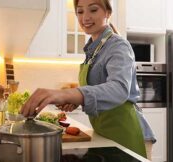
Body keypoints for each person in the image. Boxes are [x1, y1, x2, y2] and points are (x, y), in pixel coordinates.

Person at [20, 0, 155, 160]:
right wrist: (78, 100)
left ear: (107, 13)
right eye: (80, 11)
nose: (85, 17)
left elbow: (119, 89)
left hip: (128, 134)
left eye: (93, 10)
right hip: (105, 134)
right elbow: (99, 87)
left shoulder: (118, 46)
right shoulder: (93, 49)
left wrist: (71, 94)